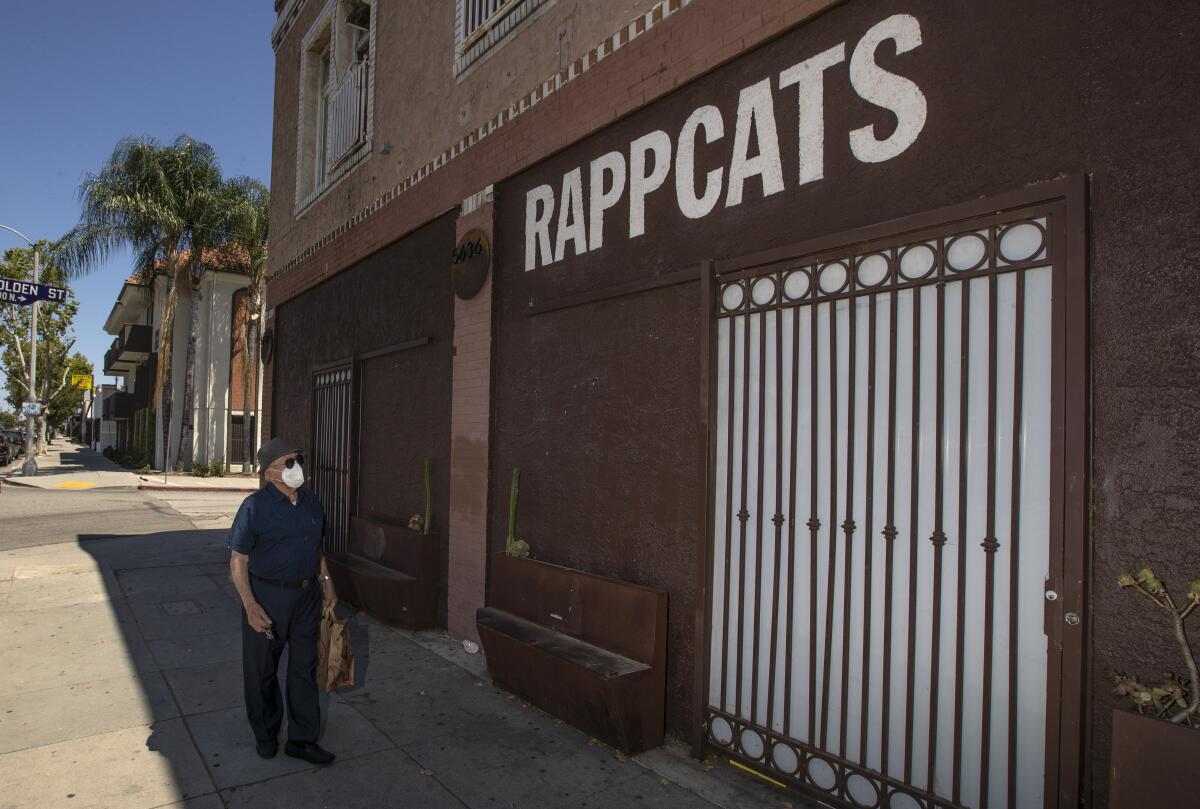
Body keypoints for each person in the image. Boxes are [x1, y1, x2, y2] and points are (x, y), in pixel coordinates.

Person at [227, 437, 338, 764]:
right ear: (269, 473)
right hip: (267, 596)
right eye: (289, 463)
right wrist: (250, 605)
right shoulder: (254, 507)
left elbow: (316, 548)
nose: (297, 468)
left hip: (307, 596)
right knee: (262, 671)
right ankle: (265, 733)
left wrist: (327, 583)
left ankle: (302, 739)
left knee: (304, 668)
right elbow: (238, 560)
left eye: (298, 460)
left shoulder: (310, 501)